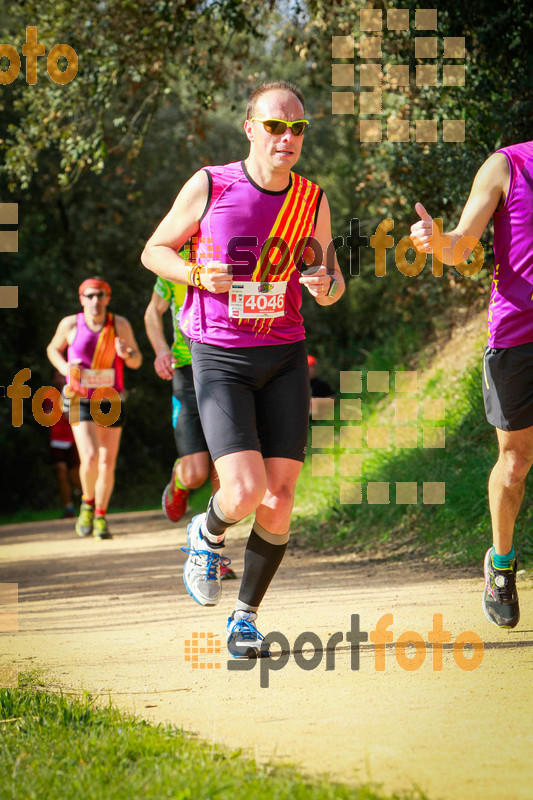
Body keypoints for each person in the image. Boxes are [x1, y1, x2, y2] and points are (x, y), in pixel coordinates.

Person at [141, 80, 345, 657]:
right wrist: (196, 274)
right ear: (251, 128)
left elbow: (332, 283)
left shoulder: (312, 198)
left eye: (297, 128)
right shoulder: (212, 183)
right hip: (220, 354)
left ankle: (245, 617)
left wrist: (324, 283)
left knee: (280, 498)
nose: (286, 138)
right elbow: (154, 250)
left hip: (284, 354)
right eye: (275, 126)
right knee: (246, 489)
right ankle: (207, 531)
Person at [410, 139, 533, 630]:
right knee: (516, 462)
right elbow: (464, 245)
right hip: (516, 336)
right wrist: (439, 244)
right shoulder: (507, 165)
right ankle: (500, 564)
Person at [144, 277, 236, 578]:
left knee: (224, 469)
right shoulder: (174, 265)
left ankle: (213, 549)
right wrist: (161, 350)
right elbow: (152, 312)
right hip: (186, 371)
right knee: (196, 473)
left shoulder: (228, 255)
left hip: (225, 364)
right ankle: (179, 477)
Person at [46, 277, 142, 539]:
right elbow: (53, 349)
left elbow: (137, 361)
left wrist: (126, 354)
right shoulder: (70, 323)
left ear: (108, 298)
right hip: (80, 398)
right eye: (90, 296)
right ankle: (87, 504)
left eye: (100, 295)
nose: (95, 300)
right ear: (82, 299)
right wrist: (65, 368)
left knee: (106, 462)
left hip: (110, 399)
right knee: (88, 457)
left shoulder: (118, 324)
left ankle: (100, 515)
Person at [43, 370, 82, 518]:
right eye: (56, 376)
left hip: (73, 439)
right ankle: (69, 508)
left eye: (61, 376)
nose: (59, 379)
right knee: (61, 471)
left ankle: (88, 502)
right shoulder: (49, 395)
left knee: (74, 475)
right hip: (57, 440)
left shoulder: (73, 393)